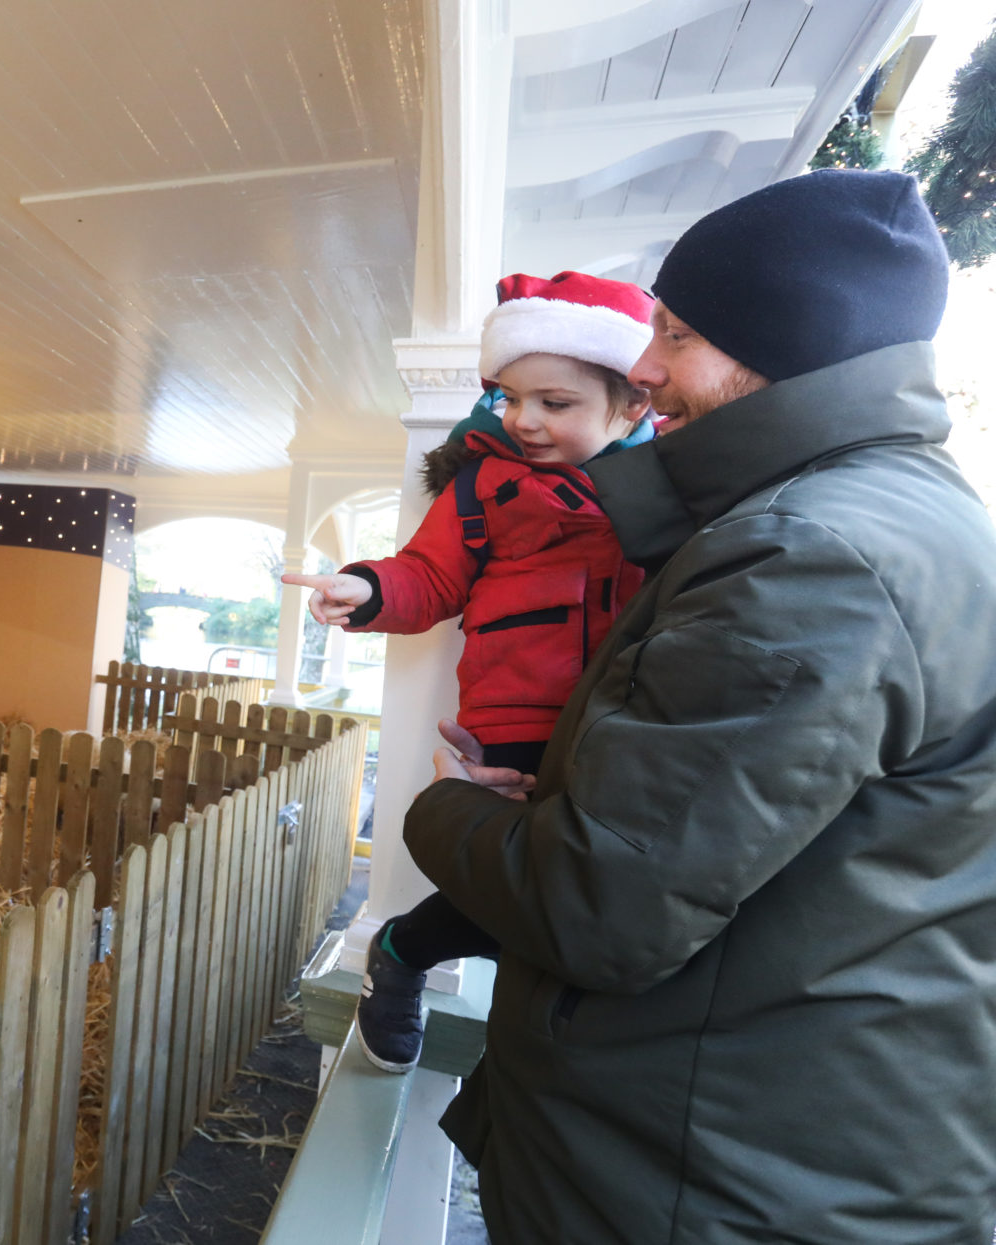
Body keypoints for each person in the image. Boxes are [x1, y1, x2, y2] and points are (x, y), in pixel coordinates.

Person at [405, 169, 996, 1241]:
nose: (644, 367)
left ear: (786, 339)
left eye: (675, 334)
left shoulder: (805, 556)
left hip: (701, 1180)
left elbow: (600, 908)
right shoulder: (890, 519)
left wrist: (446, 807)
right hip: (762, 1147)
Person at [285, 271, 655, 1073]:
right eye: (510, 397)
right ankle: (405, 951)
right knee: (515, 880)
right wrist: (367, 589)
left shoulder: (666, 490)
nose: (524, 419)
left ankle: (409, 949)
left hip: (625, 722)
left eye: (555, 402)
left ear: (632, 405)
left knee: (586, 894)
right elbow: (431, 575)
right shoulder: (486, 482)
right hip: (513, 716)